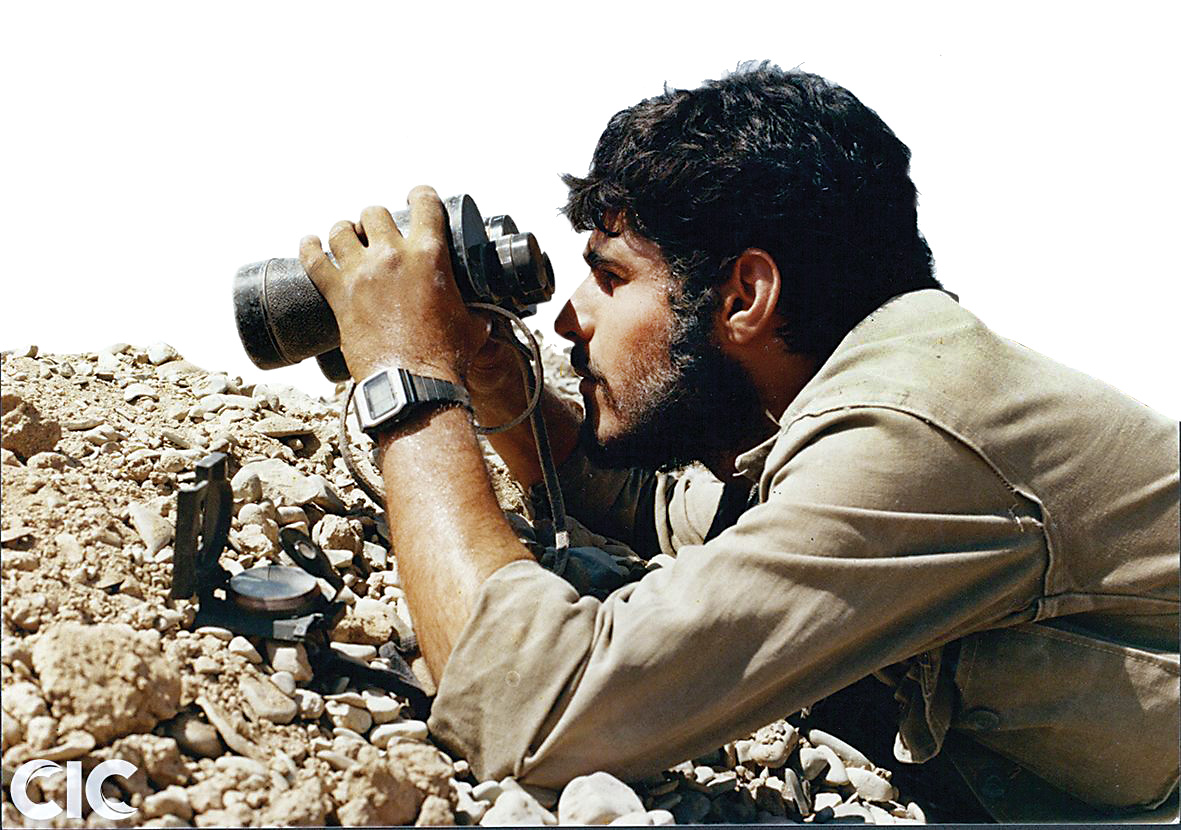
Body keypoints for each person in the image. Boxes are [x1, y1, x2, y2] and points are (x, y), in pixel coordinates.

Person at [299, 64, 1179, 822]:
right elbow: (660, 510)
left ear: (744, 297)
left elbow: (530, 709)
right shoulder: (839, 398)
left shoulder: (908, 437)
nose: (569, 318)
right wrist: (497, 377)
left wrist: (408, 377)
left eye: (610, 275)